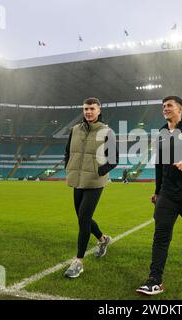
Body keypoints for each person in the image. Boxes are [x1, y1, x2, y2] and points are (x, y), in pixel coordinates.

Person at [136, 96, 182, 296]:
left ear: (180, 109)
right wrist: (157, 191)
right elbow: (159, 165)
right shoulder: (160, 133)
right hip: (168, 194)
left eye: (169, 105)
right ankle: (154, 280)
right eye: (163, 106)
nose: (165, 109)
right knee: (161, 235)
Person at [63, 97, 118, 278]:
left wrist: (100, 171)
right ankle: (102, 240)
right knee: (82, 217)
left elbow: (113, 159)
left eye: (92, 109)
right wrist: (68, 167)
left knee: (84, 217)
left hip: (95, 181)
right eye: (86, 109)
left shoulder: (107, 131)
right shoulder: (74, 130)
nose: (88, 112)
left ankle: (78, 261)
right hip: (77, 180)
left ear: (99, 110)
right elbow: (68, 152)